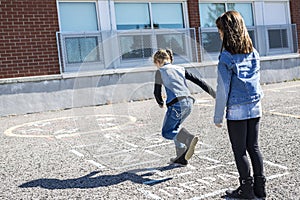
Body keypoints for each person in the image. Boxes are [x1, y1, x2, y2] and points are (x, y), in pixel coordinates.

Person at [214, 11, 266, 199]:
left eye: (220, 30)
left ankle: (246, 190)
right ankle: (260, 188)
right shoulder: (254, 52)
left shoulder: (226, 57)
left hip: (237, 109)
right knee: (254, 146)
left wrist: (218, 116)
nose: (219, 34)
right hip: (255, 105)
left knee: (239, 150)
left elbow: (222, 89)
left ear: (227, 31)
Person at [153, 48, 215, 166]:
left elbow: (156, 91)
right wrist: (214, 94)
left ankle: (188, 138)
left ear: (158, 61)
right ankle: (181, 157)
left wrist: (160, 102)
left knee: (167, 132)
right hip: (189, 103)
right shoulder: (180, 69)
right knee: (176, 127)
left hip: (176, 105)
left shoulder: (160, 71)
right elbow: (199, 81)